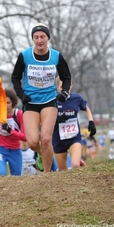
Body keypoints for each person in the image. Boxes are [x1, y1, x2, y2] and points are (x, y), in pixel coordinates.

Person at [11, 23, 72, 173]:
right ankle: (41, 154)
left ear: (48, 38)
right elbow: (15, 78)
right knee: (32, 142)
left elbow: (67, 77)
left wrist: (64, 93)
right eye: (36, 37)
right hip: (30, 102)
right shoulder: (24, 55)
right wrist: (21, 95)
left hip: (49, 101)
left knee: (45, 139)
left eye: (42, 37)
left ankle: (47, 174)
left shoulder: (56, 56)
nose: (39, 40)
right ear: (32, 39)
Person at [52, 78, 96, 170]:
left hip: (74, 137)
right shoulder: (53, 100)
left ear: (70, 86)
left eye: (67, 85)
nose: (64, 88)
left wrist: (91, 122)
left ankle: (77, 162)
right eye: (61, 85)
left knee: (75, 165)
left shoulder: (77, 98)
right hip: (58, 139)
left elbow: (86, 109)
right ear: (57, 87)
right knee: (63, 172)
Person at [0, 88, 25, 176]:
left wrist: (10, 131)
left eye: (8, 103)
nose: (6, 105)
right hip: (0, 150)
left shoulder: (19, 114)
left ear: (13, 103)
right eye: (3, 102)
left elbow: (25, 137)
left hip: (15, 150)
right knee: (1, 174)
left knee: (16, 178)